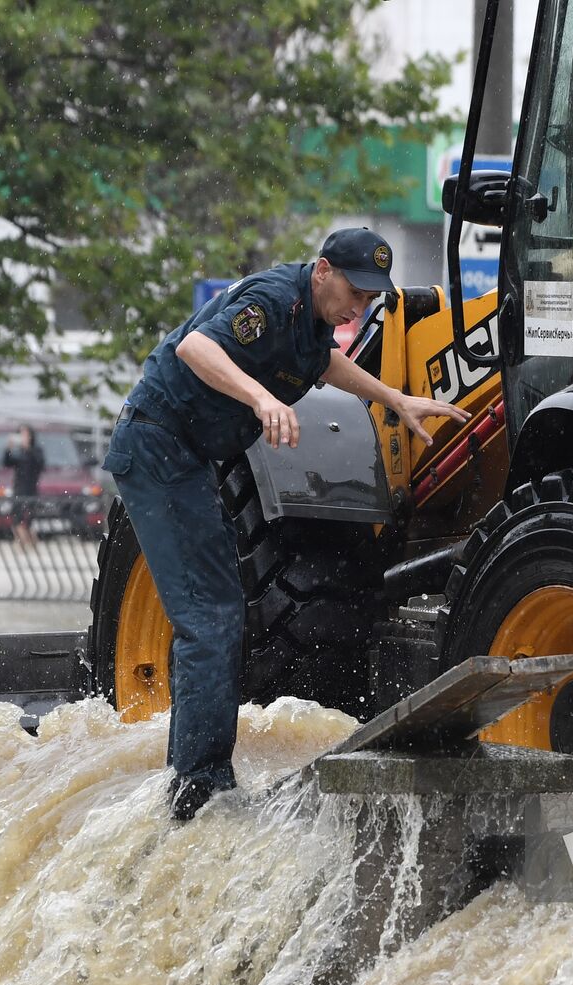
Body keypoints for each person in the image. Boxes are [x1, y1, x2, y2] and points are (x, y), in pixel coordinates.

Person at [101, 227, 470, 821]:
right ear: (322, 270)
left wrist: (394, 400)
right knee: (210, 617)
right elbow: (196, 348)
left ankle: (198, 776)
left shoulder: (314, 322)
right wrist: (262, 399)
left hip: (190, 458)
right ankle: (198, 788)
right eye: (355, 289)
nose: (362, 306)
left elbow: (321, 364)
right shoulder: (273, 300)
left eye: (373, 296)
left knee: (220, 610)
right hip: (157, 448)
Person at [3, 425, 45, 548]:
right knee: (16, 517)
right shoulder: (19, 452)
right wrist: (8, 449)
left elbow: (40, 464)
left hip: (31, 489)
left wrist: (28, 449)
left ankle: (30, 542)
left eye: (25, 435)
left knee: (29, 519)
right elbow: (7, 462)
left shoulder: (36, 450)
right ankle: (21, 542)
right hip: (18, 488)